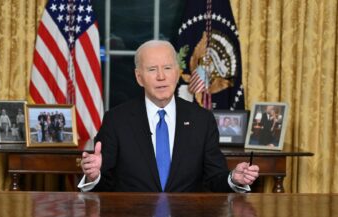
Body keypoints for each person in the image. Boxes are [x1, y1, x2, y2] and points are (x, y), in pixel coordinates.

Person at [78, 40, 259, 192]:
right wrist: (94, 175)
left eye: (167, 68)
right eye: (152, 69)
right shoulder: (116, 120)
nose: (161, 76)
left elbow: (214, 179)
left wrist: (234, 179)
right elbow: (104, 185)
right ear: (139, 77)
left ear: (177, 72)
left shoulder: (202, 120)